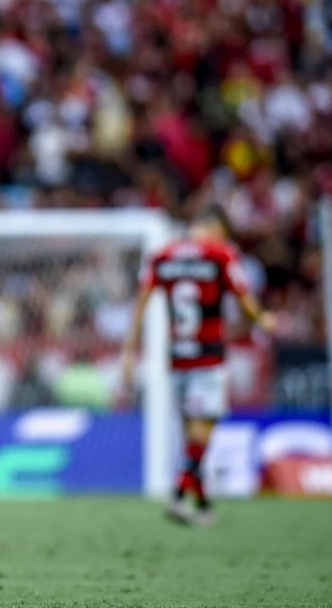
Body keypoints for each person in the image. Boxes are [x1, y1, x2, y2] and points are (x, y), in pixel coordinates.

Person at [121, 207, 275, 525]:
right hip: (208, 356)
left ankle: (202, 505)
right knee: (202, 434)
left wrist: (129, 350)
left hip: (177, 356)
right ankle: (179, 494)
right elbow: (244, 299)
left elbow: (141, 304)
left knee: (193, 433)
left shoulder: (162, 256)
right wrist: (263, 319)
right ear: (216, 228)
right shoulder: (221, 254)